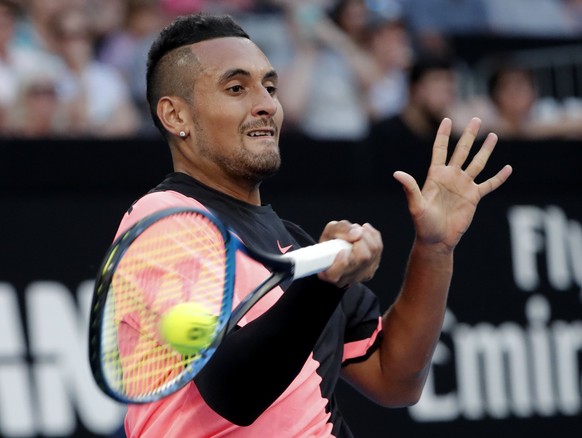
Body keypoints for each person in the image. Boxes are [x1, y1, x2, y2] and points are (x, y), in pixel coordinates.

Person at [109, 12, 512, 437]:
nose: (266, 103)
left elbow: (395, 379)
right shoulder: (165, 221)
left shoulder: (295, 245)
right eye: (235, 88)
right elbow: (235, 392)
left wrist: (434, 248)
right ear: (176, 117)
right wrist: (323, 285)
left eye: (270, 86)